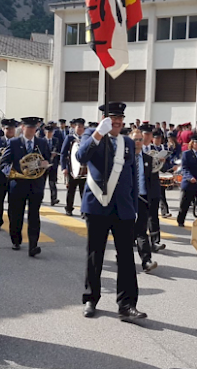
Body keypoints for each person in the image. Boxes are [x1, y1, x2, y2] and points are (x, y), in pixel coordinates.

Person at [76, 102, 146, 322]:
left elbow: (133, 176)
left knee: (126, 257)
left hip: (122, 208)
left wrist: (134, 208)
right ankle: (91, 298)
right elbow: (81, 156)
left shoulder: (126, 141)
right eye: (112, 119)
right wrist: (99, 133)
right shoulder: (93, 135)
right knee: (95, 254)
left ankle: (127, 305)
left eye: (120, 119)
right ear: (104, 119)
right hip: (97, 205)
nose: (117, 122)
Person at [0, 117, 51, 256]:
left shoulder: (42, 142)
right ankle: (16, 240)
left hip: (36, 184)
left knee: (34, 215)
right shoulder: (14, 142)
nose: (31, 130)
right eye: (29, 127)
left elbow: (48, 160)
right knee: (16, 214)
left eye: (34, 128)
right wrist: (9, 173)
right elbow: (4, 162)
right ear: (23, 128)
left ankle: (33, 245)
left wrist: (46, 164)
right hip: (18, 184)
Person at [131, 129, 160, 272]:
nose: (138, 142)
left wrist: (152, 199)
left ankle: (146, 261)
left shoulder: (148, 159)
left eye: (140, 139)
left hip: (142, 198)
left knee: (142, 231)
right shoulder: (124, 158)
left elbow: (152, 181)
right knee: (126, 231)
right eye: (135, 139)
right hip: (127, 200)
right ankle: (122, 257)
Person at [177, 135, 197, 227]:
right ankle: (181, 221)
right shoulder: (186, 154)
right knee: (185, 204)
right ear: (192, 143)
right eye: (196, 143)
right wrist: (189, 177)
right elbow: (184, 168)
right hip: (190, 182)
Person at [60, 118, 87, 216]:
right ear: (74, 127)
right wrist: (64, 168)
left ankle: (84, 211)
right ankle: (69, 208)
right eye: (78, 126)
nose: (80, 129)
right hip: (72, 169)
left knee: (83, 191)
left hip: (84, 170)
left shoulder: (86, 138)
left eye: (82, 127)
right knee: (71, 190)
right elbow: (63, 154)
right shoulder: (70, 138)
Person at [44, 125, 62, 206]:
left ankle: (53, 199)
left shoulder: (56, 140)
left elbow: (59, 150)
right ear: (45, 132)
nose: (49, 134)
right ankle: (39, 198)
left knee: (52, 183)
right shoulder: (41, 141)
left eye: (50, 132)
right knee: (41, 183)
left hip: (53, 164)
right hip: (44, 165)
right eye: (48, 132)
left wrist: (55, 154)